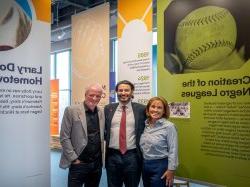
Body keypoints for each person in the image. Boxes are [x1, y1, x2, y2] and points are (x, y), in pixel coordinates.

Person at [59, 83, 104, 187]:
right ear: (85, 94)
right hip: (79, 163)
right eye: (91, 95)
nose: (94, 98)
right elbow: (64, 137)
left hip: (96, 164)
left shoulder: (101, 111)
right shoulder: (71, 110)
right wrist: (74, 159)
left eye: (98, 96)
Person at [104, 80, 146, 187]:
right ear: (116, 92)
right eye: (120, 90)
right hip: (112, 156)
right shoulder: (108, 108)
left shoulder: (141, 109)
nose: (123, 93)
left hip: (132, 156)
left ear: (132, 92)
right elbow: (104, 130)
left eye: (127, 90)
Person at [140, 97, 178, 187]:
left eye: (159, 107)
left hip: (161, 167)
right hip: (145, 165)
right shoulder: (145, 125)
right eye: (153, 106)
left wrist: (171, 170)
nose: (155, 110)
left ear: (164, 111)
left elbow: (173, 150)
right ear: (148, 109)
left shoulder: (169, 127)